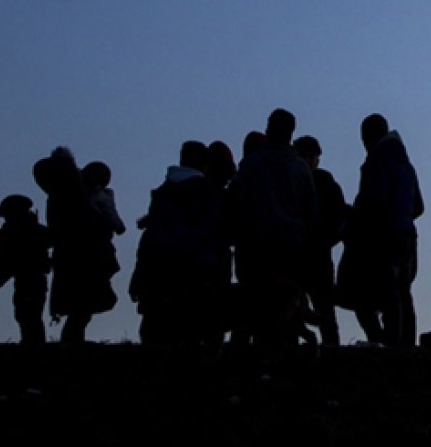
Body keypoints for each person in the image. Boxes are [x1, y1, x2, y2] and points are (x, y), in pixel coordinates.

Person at [226, 109, 319, 346]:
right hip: (291, 247)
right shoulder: (301, 168)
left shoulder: (250, 165)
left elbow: (236, 203)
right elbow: (311, 211)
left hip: (255, 246)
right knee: (284, 312)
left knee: (253, 308)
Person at [129, 140, 228, 345]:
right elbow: (208, 230)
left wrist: (140, 274)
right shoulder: (207, 192)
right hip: (196, 271)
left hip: (160, 270)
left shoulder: (163, 193)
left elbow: (150, 238)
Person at [338, 113, 424, 347]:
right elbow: (419, 206)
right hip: (408, 236)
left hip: (384, 237)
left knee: (381, 295)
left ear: (367, 137)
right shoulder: (407, 166)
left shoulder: (376, 163)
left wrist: (354, 219)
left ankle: (388, 346)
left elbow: (374, 203)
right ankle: (406, 346)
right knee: (403, 295)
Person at [35, 147, 119, 344]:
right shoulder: (70, 190)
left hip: (78, 253)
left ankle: (73, 340)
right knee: (81, 305)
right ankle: (72, 342)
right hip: (82, 253)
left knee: (81, 306)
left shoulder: (69, 190)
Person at [294, 135, 349, 346]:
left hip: (303, 254)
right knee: (322, 311)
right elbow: (340, 219)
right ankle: (330, 355)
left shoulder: (299, 181)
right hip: (315, 255)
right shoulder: (326, 182)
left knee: (304, 311)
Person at [0, 195, 53, 344]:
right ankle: (33, 343)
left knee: (27, 313)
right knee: (29, 313)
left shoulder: (17, 231)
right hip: (33, 279)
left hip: (29, 279)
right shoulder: (36, 229)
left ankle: (32, 344)